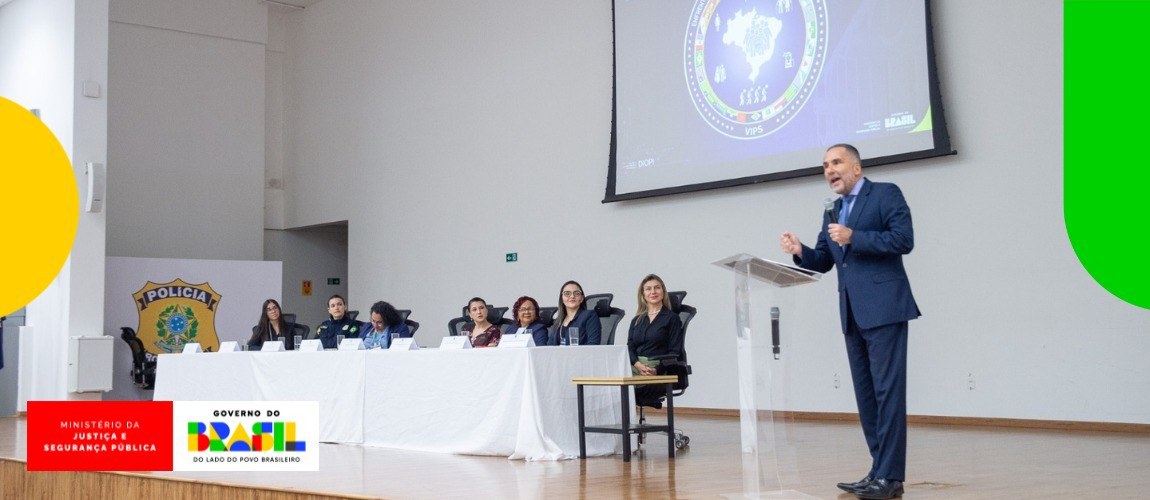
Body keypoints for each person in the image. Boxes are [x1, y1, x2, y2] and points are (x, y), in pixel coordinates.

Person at [780, 143, 918, 500]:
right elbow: (823, 260)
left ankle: (890, 475)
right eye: (825, 165)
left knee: (888, 394)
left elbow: (904, 240)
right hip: (852, 313)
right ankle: (879, 471)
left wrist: (856, 237)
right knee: (867, 396)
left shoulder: (885, 194)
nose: (829, 170)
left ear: (856, 168)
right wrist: (800, 252)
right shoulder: (833, 209)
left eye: (836, 162)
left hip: (885, 308)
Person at [626, 274, 683, 406]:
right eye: (648, 289)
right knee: (612, 384)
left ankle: (646, 398)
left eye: (657, 288)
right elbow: (629, 347)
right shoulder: (636, 320)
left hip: (656, 367)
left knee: (629, 390)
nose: (653, 292)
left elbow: (675, 352)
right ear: (643, 294)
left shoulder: (671, 318)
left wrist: (657, 369)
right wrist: (637, 364)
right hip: (635, 366)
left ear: (663, 292)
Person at [548, 280, 601, 346]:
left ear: (582, 298)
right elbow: (549, 348)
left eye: (577, 293)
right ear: (562, 299)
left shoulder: (589, 316)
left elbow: (593, 345)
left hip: (581, 356)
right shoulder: (557, 322)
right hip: (558, 356)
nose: (572, 296)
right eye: (567, 293)